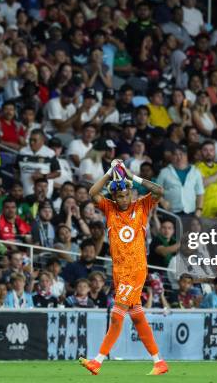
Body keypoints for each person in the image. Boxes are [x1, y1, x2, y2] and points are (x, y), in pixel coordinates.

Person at [80, 159, 168, 376]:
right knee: (137, 315)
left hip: (135, 269)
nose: (122, 199)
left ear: (131, 193)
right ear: (114, 197)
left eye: (125, 194)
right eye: (118, 196)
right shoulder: (109, 209)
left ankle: (97, 361)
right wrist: (110, 173)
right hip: (119, 271)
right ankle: (159, 362)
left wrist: (131, 176)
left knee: (117, 314)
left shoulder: (142, 206)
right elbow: (92, 193)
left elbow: (159, 190)